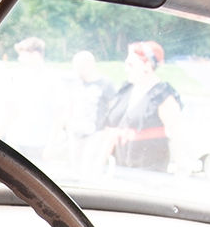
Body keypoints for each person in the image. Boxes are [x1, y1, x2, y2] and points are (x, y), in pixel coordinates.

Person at [102, 40, 182, 172]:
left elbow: (177, 138)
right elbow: (110, 133)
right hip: (119, 172)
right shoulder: (126, 90)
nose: (126, 69)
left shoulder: (162, 96)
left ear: (148, 65)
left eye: (131, 64)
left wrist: (180, 172)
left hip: (149, 178)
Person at [65, 50, 114, 181]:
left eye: (79, 65)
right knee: (75, 168)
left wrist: (107, 133)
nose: (76, 69)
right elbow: (69, 105)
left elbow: (112, 109)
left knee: (89, 168)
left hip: (95, 133)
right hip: (75, 132)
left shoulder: (105, 84)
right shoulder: (74, 83)